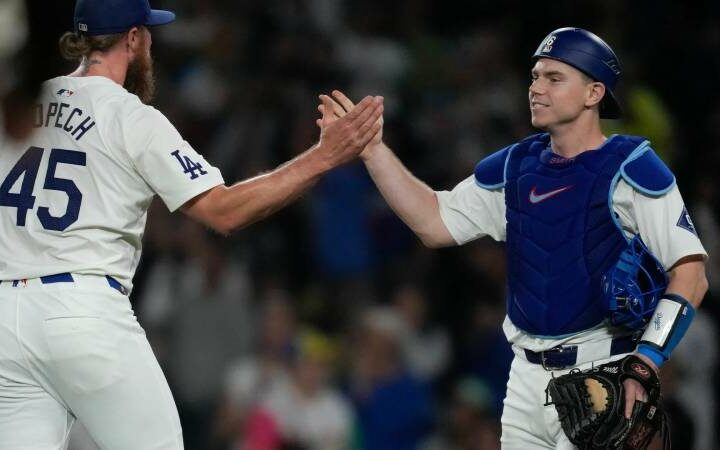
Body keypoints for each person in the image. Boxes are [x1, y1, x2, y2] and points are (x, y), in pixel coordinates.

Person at [0, 0, 383, 448]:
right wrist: (324, 157)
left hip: (8, 318)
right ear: (133, 38)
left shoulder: (19, 109)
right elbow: (225, 211)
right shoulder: (131, 116)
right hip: (83, 309)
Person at [318, 27, 708, 449]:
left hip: (602, 372)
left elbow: (691, 274)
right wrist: (374, 152)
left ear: (594, 93)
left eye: (554, 78)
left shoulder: (633, 167)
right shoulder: (515, 165)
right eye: (535, 76)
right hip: (524, 378)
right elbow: (434, 222)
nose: (536, 88)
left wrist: (648, 359)